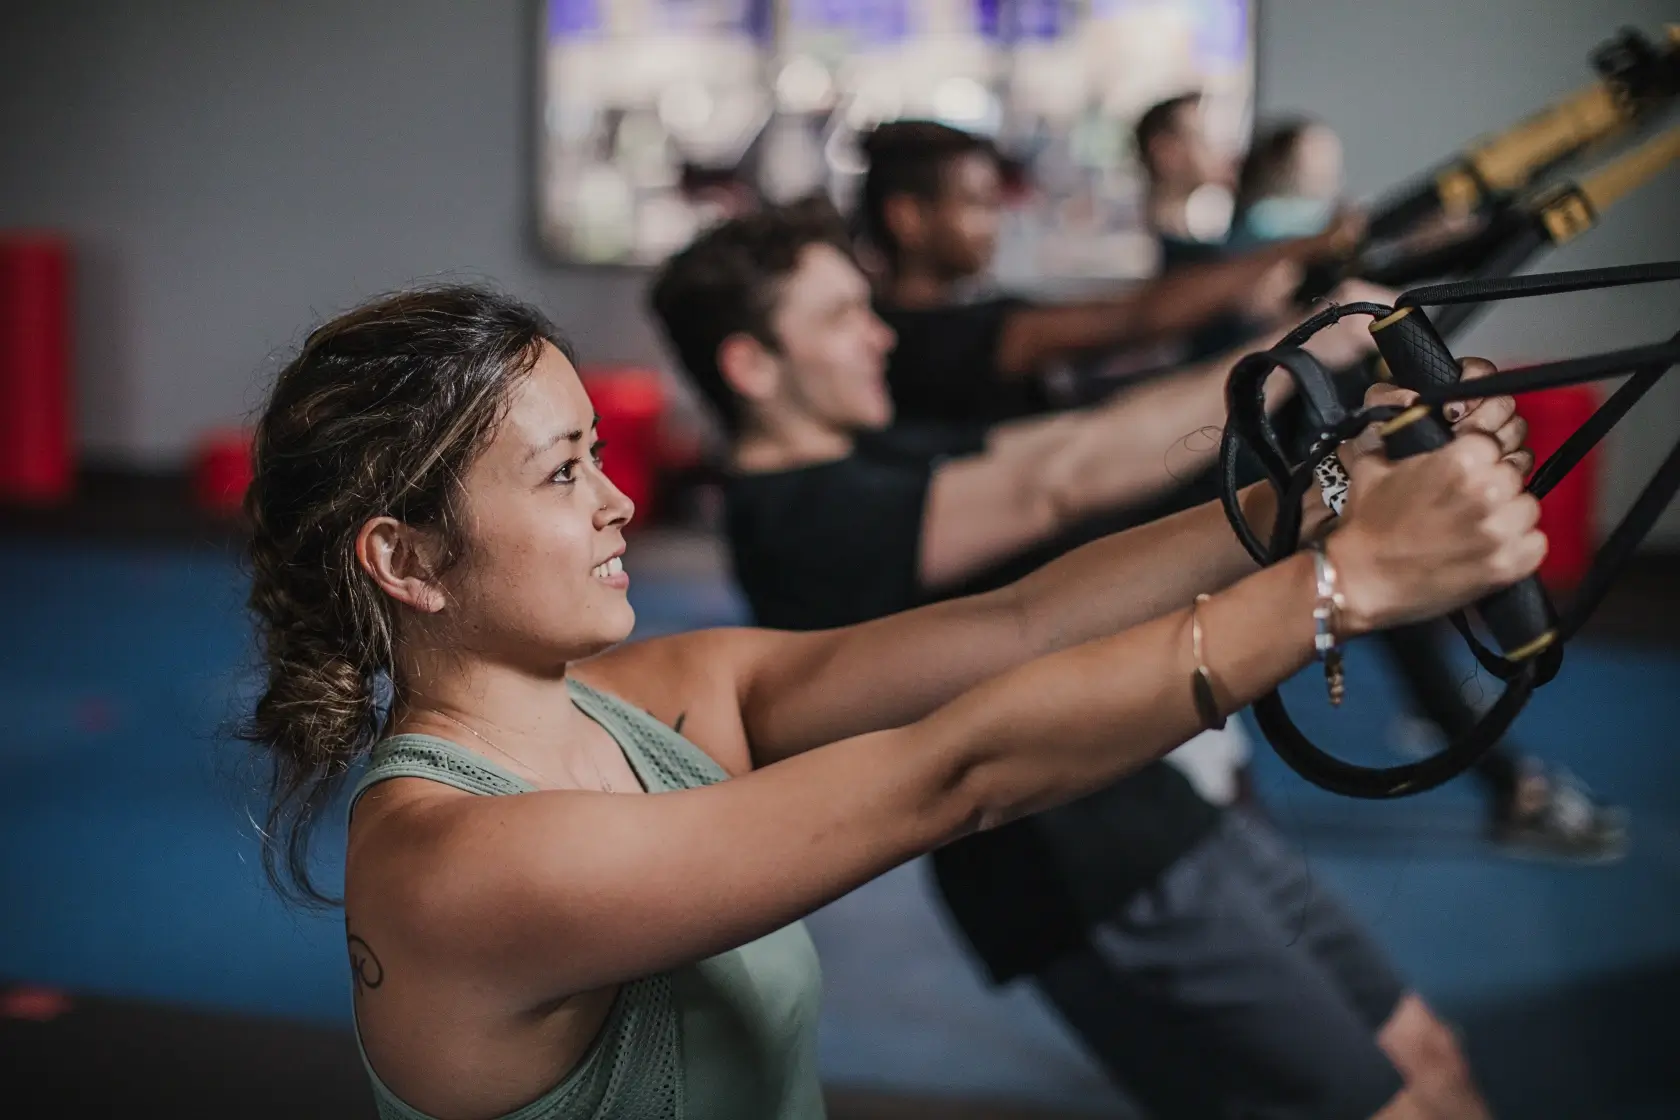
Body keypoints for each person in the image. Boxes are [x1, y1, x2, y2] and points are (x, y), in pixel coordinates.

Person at [245, 281, 1541, 1120]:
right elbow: (954, 773)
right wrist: (1349, 585)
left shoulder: (656, 701)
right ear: (406, 558)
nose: (619, 500)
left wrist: (1326, 499)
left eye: (599, 455)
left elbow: (1013, 627)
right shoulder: (453, 868)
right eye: (561, 472)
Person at [647, 201, 1525, 1118]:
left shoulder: (879, 451)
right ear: (750, 365)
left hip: (1153, 798)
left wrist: (1340, 473)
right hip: (1075, 869)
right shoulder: (802, 521)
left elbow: (1086, 440)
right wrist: (1300, 359)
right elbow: (1061, 486)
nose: (880, 336)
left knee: (1430, 1057)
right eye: (839, 318)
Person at [1212, 111, 1628, 862]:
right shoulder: (1274, 237)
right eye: (1313, 162)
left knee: (1389, 575)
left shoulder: (1307, 234)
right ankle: (1511, 785)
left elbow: (1374, 263)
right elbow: (1308, 280)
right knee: (1382, 578)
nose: (1328, 175)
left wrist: (1494, 225)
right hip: (1277, 449)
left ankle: (1490, 760)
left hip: (1312, 446)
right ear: (1277, 167)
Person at [857, 119, 1359, 425]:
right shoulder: (929, 337)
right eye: (976, 205)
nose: (995, 224)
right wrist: (1312, 243)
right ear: (907, 217)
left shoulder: (954, 316)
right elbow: (1135, 317)